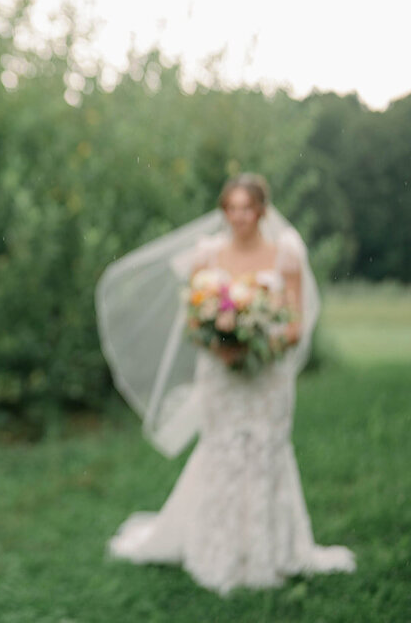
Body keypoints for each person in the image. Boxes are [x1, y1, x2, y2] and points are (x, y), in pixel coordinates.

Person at [96, 173, 355, 594]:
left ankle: (271, 552)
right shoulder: (207, 256)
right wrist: (221, 348)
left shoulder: (285, 254)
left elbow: (295, 326)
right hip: (220, 376)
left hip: (266, 377)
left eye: (246, 209)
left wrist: (257, 344)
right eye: (231, 209)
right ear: (223, 213)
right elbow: (195, 321)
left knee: (266, 451)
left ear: (261, 212)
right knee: (222, 452)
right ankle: (213, 552)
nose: (239, 217)